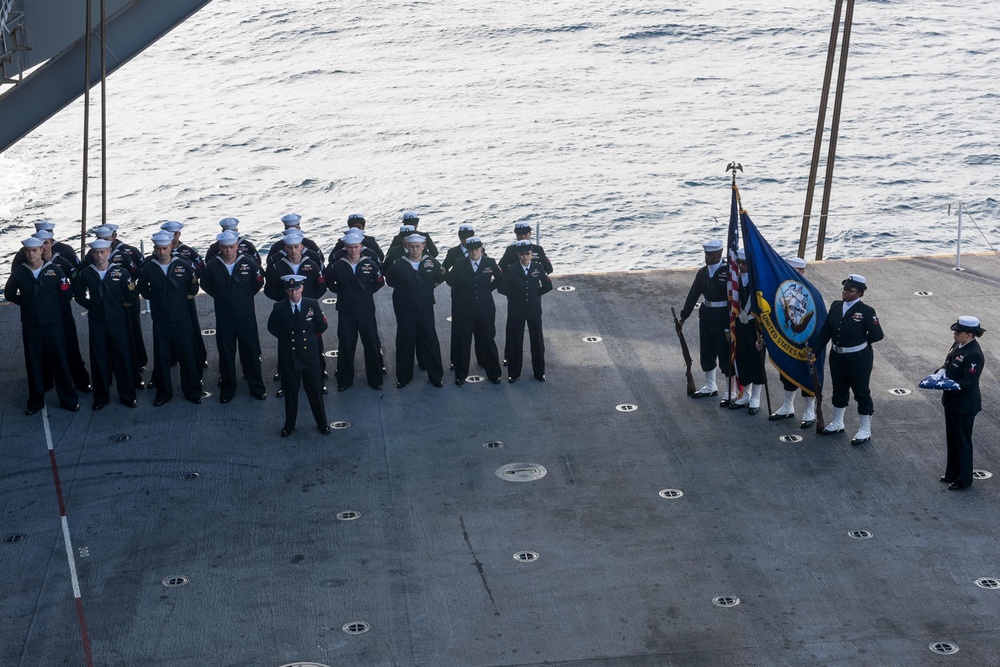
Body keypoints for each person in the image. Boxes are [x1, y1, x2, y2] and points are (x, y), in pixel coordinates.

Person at [4, 237, 80, 414]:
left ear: (41, 251)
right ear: (25, 253)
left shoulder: (53, 270)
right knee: (34, 363)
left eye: (35, 250)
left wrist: (51, 307)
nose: (31, 254)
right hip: (31, 325)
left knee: (60, 361)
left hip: (53, 324)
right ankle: (36, 401)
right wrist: (27, 304)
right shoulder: (19, 273)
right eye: (28, 251)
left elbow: (66, 293)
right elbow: (9, 293)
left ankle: (69, 399)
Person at [812, 274, 884, 444]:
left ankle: (865, 429)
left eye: (850, 290)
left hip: (859, 358)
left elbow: (877, 335)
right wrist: (815, 351)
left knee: (861, 391)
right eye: (845, 289)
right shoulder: (836, 306)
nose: (845, 293)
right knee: (839, 388)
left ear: (859, 293)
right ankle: (838, 422)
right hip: (837, 355)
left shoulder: (866, 311)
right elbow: (826, 331)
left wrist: (858, 342)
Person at [200, 230, 267, 403]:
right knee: (226, 354)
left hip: (246, 316)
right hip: (224, 318)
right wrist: (222, 296)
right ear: (220, 248)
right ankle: (228, 388)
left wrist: (243, 297)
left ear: (237, 246)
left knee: (250, 352)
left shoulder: (249, 263)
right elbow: (205, 283)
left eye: (232, 247)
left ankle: (256, 387)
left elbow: (258, 282)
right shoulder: (213, 265)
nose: (229, 251)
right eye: (225, 247)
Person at [138, 231, 203, 406]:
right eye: (158, 249)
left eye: (165, 248)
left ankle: (192, 391)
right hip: (161, 320)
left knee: (187, 356)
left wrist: (180, 301)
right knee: (162, 357)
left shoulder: (183, 265)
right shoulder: (149, 268)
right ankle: (164, 392)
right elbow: (143, 289)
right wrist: (158, 299)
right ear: (154, 249)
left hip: (182, 318)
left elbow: (193, 287)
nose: (162, 252)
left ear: (171, 247)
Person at [74, 239, 138, 409]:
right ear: (92, 254)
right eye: (96, 252)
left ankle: (128, 395)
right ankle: (101, 397)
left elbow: (131, 294)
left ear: (109, 251)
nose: (99, 255)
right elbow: (79, 295)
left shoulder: (121, 272)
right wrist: (92, 306)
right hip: (97, 323)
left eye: (102, 252)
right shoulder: (86, 274)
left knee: (123, 357)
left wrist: (120, 306)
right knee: (99, 359)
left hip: (118, 321)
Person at [267, 274, 331, 437]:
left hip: (309, 356)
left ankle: (322, 423)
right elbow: (272, 327)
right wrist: (286, 339)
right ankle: (289, 425)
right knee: (290, 393)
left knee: (315, 392)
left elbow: (322, 325)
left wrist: (310, 339)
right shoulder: (279, 307)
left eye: (296, 289)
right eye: (290, 290)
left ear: (302, 288)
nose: (294, 293)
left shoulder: (312, 304)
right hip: (290, 356)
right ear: (286, 290)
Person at [324, 230, 385, 391]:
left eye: (356, 247)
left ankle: (375, 379)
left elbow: (379, 282)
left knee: (371, 344)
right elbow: (329, 281)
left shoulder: (369, 264)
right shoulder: (337, 265)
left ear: (361, 247)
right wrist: (342, 292)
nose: (353, 250)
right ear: (345, 248)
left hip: (366, 310)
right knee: (346, 345)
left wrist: (366, 292)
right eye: (350, 248)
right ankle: (344, 380)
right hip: (346, 311)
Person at [32, 229, 92, 393]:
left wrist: (75, 297)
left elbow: (76, 280)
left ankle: (81, 380)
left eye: (46, 242)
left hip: (62, 311)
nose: (43, 247)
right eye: (39, 244)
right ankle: (46, 381)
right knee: (44, 348)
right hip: (42, 314)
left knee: (71, 345)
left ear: (51, 242)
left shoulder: (62, 262)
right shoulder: (30, 265)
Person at [384, 232, 445, 388]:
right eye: (411, 247)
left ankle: (436, 377)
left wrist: (428, 289)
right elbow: (390, 281)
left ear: (423, 246)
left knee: (430, 341)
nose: (415, 250)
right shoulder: (398, 264)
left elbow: (440, 276)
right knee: (405, 342)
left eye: (418, 246)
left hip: (425, 309)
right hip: (405, 309)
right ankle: (404, 377)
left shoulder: (431, 263)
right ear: (406, 247)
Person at [679, 240, 731, 403]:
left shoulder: (729, 272)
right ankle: (711, 386)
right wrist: (683, 317)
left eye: (710, 254)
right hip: (707, 314)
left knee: (725, 353)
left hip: (723, 315)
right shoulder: (702, 272)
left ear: (720, 253)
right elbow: (693, 294)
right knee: (707, 350)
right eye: (706, 254)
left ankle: (730, 391)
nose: (707, 257)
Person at [446, 236, 502, 385]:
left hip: (485, 309)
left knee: (488, 341)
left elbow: (500, 278)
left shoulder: (490, 263)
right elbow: (450, 279)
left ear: (481, 249)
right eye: (471, 250)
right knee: (463, 342)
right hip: (465, 310)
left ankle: (494, 374)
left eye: (476, 249)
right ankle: (460, 375)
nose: (474, 252)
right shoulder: (459, 264)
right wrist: (463, 291)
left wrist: (488, 288)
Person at [769, 256, 817, 427]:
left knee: (808, 374)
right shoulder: (782, 290)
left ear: (802, 271)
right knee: (787, 370)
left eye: (793, 270)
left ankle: (810, 411)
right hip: (787, 336)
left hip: (806, 339)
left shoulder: (811, 291)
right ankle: (788, 406)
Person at [939, 316, 985, 490]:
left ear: (969, 334)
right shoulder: (958, 345)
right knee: (952, 439)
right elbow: (948, 365)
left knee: (962, 442)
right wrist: (939, 374)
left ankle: (964, 478)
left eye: (958, 332)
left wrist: (946, 384)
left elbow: (968, 383)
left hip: (964, 405)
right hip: (952, 401)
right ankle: (952, 472)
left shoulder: (974, 354)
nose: (955, 334)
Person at [498, 239, 552, 382]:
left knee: (538, 343)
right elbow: (502, 288)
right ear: (518, 255)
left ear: (531, 254)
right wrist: (514, 295)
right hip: (517, 309)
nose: (525, 257)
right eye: (521, 254)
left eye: (527, 254)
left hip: (534, 309)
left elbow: (547, 285)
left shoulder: (538, 267)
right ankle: (514, 373)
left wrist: (536, 294)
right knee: (516, 342)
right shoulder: (511, 269)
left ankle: (540, 372)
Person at [160, 220, 209, 370]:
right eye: (169, 234)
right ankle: (172, 357)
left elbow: (201, 268)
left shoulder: (187, 252)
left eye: (174, 234)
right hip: (167, 298)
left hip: (185, 296)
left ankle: (200, 357)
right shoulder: (160, 252)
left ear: (179, 234)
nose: (172, 237)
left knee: (192, 326)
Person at [728, 249, 765, 414]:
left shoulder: (760, 281)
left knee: (756, 362)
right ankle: (746, 394)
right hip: (740, 325)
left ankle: (756, 397)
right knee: (742, 358)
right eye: (739, 263)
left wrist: (764, 335)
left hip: (755, 326)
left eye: (744, 263)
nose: (741, 266)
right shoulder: (735, 281)